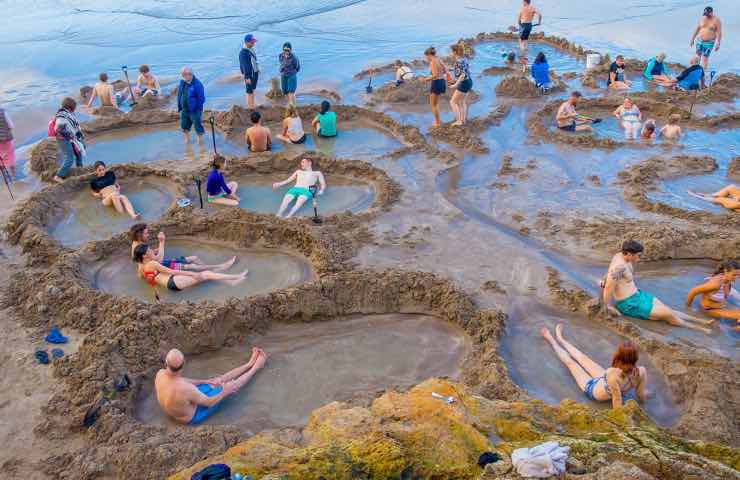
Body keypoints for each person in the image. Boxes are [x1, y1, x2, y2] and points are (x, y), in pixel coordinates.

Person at [602, 240, 714, 333]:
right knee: (667, 314)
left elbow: (609, 274)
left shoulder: (619, 256)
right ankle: (699, 329)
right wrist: (607, 305)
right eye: (638, 255)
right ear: (630, 254)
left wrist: (603, 280)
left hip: (638, 295)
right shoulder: (619, 267)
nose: (639, 258)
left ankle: (698, 320)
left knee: (666, 308)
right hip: (629, 304)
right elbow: (609, 286)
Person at [541, 325, 648, 409]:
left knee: (572, 364)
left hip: (592, 389)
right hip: (604, 381)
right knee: (584, 358)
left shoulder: (613, 375)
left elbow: (617, 403)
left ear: (619, 356)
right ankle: (561, 339)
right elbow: (640, 394)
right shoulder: (642, 371)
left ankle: (552, 340)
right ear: (635, 358)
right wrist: (645, 403)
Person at [154, 347, 267, 425]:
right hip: (193, 416)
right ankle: (256, 367)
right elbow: (209, 402)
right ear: (183, 366)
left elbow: (182, 380)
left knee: (216, 381)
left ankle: (249, 364)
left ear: (166, 364)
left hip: (181, 407)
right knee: (230, 385)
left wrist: (205, 381)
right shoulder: (185, 389)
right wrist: (225, 391)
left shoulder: (160, 374)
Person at [133, 244, 248, 293]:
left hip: (171, 282)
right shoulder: (152, 263)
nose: (152, 251)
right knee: (206, 274)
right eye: (149, 250)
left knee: (205, 276)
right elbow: (171, 271)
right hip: (172, 281)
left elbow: (146, 279)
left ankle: (231, 282)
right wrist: (192, 274)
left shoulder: (141, 266)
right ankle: (236, 276)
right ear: (144, 255)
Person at [129, 223, 235, 272]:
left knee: (194, 258)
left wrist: (155, 249)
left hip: (159, 264)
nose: (148, 235)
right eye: (146, 233)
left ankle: (211, 270)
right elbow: (158, 259)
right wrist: (162, 242)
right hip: (159, 267)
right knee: (191, 266)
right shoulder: (138, 246)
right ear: (139, 235)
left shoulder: (138, 243)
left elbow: (150, 254)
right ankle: (219, 267)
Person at [686, 260, 739, 327]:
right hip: (709, 310)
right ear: (726, 271)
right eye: (734, 275)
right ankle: (728, 330)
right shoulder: (715, 284)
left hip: (721, 307)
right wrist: (688, 309)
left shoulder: (728, 279)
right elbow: (693, 291)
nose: (736, 277)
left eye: (738, 275)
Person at [52, 97, 86, 184]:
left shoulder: (67, 114)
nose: (74, 110)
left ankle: (80, 169)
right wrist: (70, 136)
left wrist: (77, 136)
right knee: (69, 158)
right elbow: (58, 129)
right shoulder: (62, 116)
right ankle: (58, 176)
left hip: (70, 138)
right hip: (63, 140)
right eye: (74, 108)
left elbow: (72, 125)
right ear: (70, 108)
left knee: (78, 152)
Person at [177, 67, 206, 145]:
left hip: (194, 111)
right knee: (184, 126)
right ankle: (187, 140)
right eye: (182, 75)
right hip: (184, 110)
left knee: (198, 126)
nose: (183, 77)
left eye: (184, 75)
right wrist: (180, 106)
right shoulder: (183, 83)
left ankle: (200, 142)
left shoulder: (197, 84)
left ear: (190, 75)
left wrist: (197, 109)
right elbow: (180, 94)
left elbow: (201, 99)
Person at [422, 47, 448, 128]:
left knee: (433, 104)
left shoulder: (432, 62)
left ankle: (437, 122)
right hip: (442, 81)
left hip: (436, 82)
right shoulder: (439, 59)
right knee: (435, 104)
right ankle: (438, 120)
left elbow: (435, 75)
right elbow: (445, 70)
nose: (426, 58)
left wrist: (425, 79)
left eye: (426, 56)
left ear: (429, 54)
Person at [689, 6, 722, 71]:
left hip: (709, 43)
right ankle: (694, 71)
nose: (706, 16)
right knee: (697, 57)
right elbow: (697, 29)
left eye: (707, 14)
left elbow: (719, 32)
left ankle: (703, 73)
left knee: (705, 58)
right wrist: (692, 39)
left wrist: (718, 43)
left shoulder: (717, 20)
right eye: (705, 14)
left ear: (712, 13)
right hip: (699, 41)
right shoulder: (702, 18)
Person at [449, 44, 473, 126]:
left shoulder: (458, 62)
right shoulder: (464, 59)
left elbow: (462, 75)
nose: (451, 53)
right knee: (462, 102)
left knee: (452, 102)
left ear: (455, 52)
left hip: (463, 83)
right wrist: (452, 69)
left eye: (451, 51)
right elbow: (465, 70)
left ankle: (459, 121)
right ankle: (463, 120)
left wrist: (455, 84)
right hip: (469, 82)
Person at [239, 34, 260, 109]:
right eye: (252, 42)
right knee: (249, 91)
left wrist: (257, 69)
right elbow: (244, 66)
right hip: (249, 75)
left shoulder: (251, 49)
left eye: (254, 41)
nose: (254, 43)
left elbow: (254, 61)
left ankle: (252, 105)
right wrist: (247, 77)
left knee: (253, 90)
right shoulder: (243, 53)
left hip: (254, 73)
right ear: (247, 42)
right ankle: (250, 108)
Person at [0, 107, 16, 180]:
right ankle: (14, 177)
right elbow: (11, 126)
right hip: (7, 140)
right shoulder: (3, 112)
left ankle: (5, 178)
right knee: (11, 158)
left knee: (1, 162)